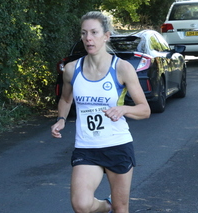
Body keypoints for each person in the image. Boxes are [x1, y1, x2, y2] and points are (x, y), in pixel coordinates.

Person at [51, 11, 151, 213]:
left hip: (117, 145)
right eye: (84, 33)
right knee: (81, 204)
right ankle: (106, 205)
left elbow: (145, 110)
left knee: (121, 208)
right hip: (86, 147)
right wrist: (61, 118)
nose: (88, 38)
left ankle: (113, 205)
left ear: (106, 35)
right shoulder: (72, 69)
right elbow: (66, 98)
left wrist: (123, 109)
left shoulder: (121, 68)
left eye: (94, 32)